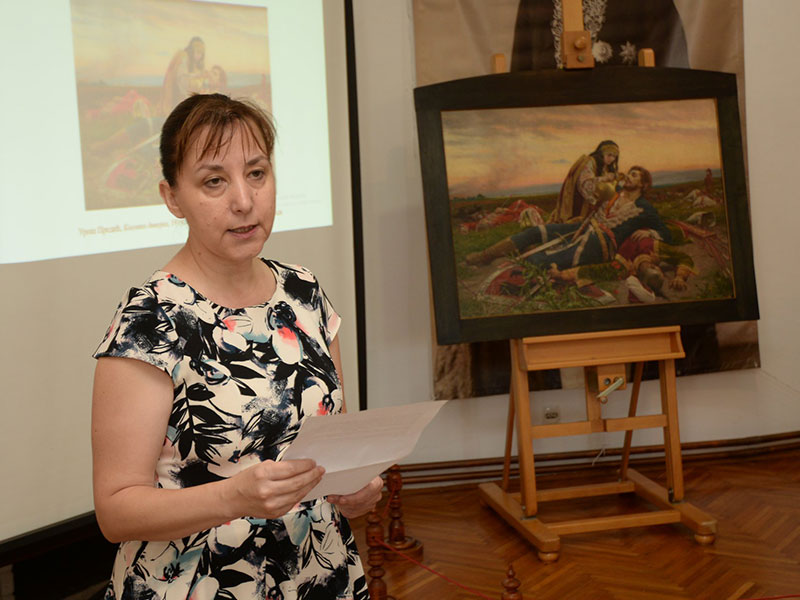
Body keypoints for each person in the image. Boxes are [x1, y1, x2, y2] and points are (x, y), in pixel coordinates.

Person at [92, 93, 381, 599]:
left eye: (256, 173)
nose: (244, 201)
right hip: (198, 583)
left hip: (318, 572)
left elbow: (332, 441)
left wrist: (353, 487)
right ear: (172, 197)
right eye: (214, 181)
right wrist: (232, 497)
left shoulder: (303, 291)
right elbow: (116, 512)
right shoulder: (150, 317)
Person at [468, 166, 671, 270]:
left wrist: (650, 232)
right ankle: (484, 256)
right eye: (630, 173)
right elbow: (590, 191)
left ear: (644, 185)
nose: (629, 176)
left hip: (600, 244)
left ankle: (512, 261)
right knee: (535, 231)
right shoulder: (614, 192)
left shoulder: (645, 208)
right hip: (584, 227)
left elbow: (667, 233)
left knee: (546, 258)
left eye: (634, 175)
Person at [549, 139, 621, 224]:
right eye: (609, 155)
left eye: (614, 156)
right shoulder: (589, 161)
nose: (612, 159)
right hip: (581, 204)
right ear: (601, 153)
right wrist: (603, 179)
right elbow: (584, 184)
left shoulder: (606, 167)